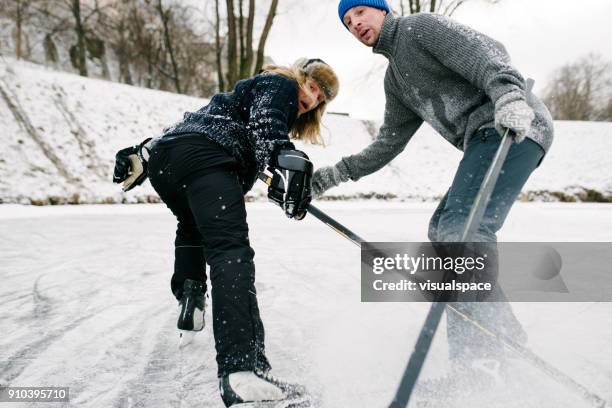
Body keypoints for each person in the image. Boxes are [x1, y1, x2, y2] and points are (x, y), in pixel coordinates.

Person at [312, 0, 554, 383]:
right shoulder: (396, 81)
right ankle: (501, 332)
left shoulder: (419, 28)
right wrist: (332, 176)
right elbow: (387, 144)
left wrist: (508, 96)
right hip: (484, 137)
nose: (355, 24)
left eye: (359, 12)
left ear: (381, 9)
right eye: (346, 22)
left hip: (513, 126)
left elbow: (487, 53)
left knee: (462, 231)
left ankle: (480, 359)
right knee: (443, 229)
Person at [112, 58, 339, 406]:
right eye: (313, 86)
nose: (312, 98)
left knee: (191, 225)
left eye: (321, 97)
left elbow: (199, 125)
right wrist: (284, 158)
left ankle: (191, 294)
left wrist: (142, 152)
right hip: (207, 158)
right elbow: (268, 125)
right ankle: (241, 372)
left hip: (168, 160)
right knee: (230, 250)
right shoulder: (280, 85)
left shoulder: (243, 96)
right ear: (301, 76)